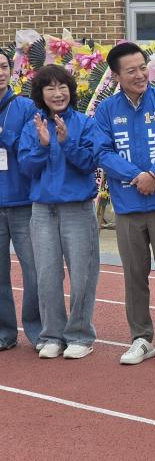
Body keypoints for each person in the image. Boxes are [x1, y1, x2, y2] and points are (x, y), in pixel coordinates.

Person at [94, 42, 155, 367]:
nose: (140, 75)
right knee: (134, 275)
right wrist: (137, 177)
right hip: (128, 206)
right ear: (116, 76)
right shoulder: (106, 110)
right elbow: (102, 152)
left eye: (143, 67)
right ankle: (141, 338)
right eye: (131, 70)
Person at [18, 64, 99, 359]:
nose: (57, 93)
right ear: (40, 94)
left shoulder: (85, 123)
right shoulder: (33, 125)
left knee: (82, 275)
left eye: (62, 86)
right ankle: (52, 334)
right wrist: (43, 145)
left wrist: (67, 143)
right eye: (50, 88)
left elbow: (90, 162)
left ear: (71, 90)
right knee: (47, 275)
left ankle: (80, 335)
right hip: (42, 211)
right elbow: (26, 168)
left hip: (77, 209)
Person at [0, 48, 42, 352]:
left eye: (3, 66)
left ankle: (39, 331)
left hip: (23, 202)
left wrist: (4, 134)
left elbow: (30, 148)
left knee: (35, 270)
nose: (0, 73)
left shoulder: (26, 106)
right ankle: (4, 332)